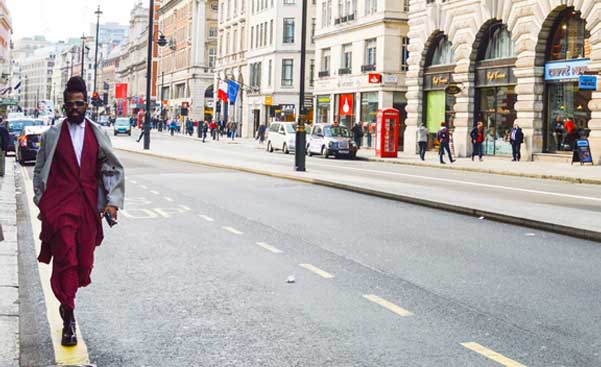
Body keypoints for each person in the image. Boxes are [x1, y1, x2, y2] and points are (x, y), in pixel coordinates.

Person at [33, 76, 124, 346]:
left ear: (87, 104)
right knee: (66, 260)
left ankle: (67, 302)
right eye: (70, 104)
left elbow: (111, 168)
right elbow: (39, 170)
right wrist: (43, 201)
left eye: (80, 103)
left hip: (86, 206)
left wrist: (112, 201)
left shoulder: (98, 133)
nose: (75, 108)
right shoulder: (52, 135)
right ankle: (69, 319)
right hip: (59, 208)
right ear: (64, 105)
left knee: (83, 262)